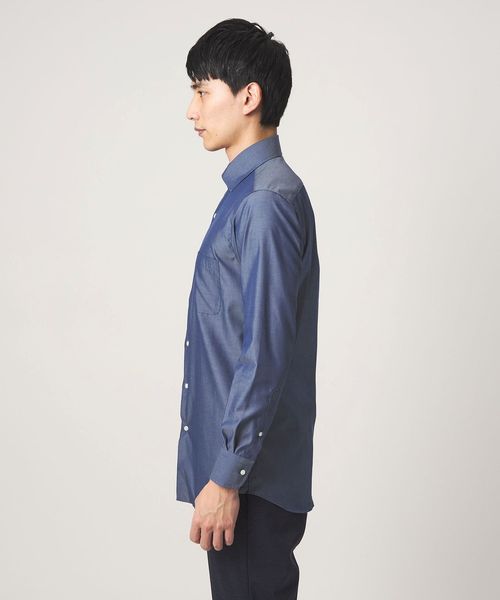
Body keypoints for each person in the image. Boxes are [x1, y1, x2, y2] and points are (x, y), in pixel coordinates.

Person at [176, 17, 320, 600]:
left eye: (202, 90)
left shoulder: (265, 202)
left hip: (249, 485)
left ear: (248, 96)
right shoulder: (248, 195)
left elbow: (264, 352)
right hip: (241, 478)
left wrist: (227, 475)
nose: (191, 110)